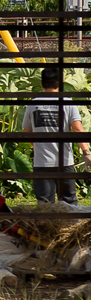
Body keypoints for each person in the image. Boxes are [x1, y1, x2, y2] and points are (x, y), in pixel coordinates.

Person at [21, 65, 90, 204]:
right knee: (70, 204)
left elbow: (26, 132)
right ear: (60, 84)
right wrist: (86, 152)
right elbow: (77, 129)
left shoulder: (32, 105)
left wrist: (39, 146)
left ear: (41, 84)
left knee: (45, 207)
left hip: (42, 163)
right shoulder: (68, 103)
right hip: (65, 162)